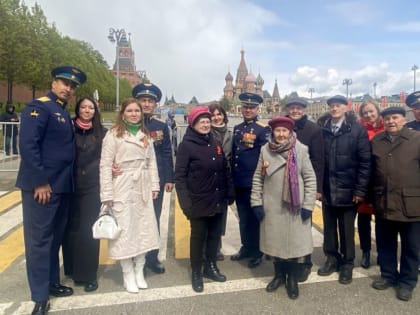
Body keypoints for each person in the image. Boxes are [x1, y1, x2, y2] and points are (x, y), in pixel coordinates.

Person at [16, 65, 86, 315]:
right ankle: (39, 295)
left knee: (54, 239)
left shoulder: (60, 111)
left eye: (73, 86)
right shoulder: (40, 107)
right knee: (39, 241)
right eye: (64, 83)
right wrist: (40, 181)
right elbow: (28, 145)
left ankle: (52, 282)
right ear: (54, 82)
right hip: (43, 188)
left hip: (61, 187)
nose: (68, 88)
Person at [251, 116, 316, 299]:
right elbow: (258, 177)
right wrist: (256, 202)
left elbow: (310, 178)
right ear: (273, 132)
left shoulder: (300, 150)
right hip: (273, 207)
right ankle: (279, 275)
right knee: (276, 244)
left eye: (284, 131)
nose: (280, 134)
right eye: (277, 131)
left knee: (294, 246)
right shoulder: (265, 150)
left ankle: (292, 279)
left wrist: (309, 205)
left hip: (296, 206)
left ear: (290, 132)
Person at [100, 98, 160, 293]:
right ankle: (127, 273)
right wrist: (107, 193)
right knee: (125, 231)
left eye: (137, 111)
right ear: (123, 113)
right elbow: (105, 164)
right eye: (130, 111)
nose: (134, 114)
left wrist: (155, 185)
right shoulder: (113, 135)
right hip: (123, 185)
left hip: (142, 183)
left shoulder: (145, 135)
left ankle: (139, 269)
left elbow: (151, 162)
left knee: (144, 228)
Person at [174, 106, 234, 293]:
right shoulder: (186, 145)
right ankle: (196, 272)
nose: (206, 124)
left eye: (208, 121)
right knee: (198, 238)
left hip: (217, 198)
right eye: (202, 121)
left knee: (214, 236)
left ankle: (210, 267)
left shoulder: (214, 141)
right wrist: (186, 204)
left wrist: (229, 192)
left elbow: (225, 169)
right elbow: (180, 177)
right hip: (198, 200)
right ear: (193, 124)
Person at [316, 95, 371, 285]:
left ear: (346, 108)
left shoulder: (357, 130)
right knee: (329, 227)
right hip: (328, 189)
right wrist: (318, 187)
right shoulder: (323, 131)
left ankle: (347, 263)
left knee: (347, 229)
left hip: (349, 190)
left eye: (338, 105)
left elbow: (365, 163)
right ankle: (332, 258)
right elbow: (318, 161)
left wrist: (360, 190)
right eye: (331, 106)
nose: (334, 108)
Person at [371, 106, 420, 301]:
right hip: (384, 201)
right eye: (387, 118)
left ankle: (407, 283)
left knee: (412, 246)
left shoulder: (416, 139)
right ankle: (388, 276)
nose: (391, 121)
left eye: (395, 117)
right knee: (385, 244)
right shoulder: (377, 140)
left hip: (412, 203)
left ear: (403, 118)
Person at [62, 97, 107, 292]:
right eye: (83, 107)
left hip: (92, 186)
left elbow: (109, 156)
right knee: (69, 228)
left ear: (95, 110)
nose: (87, 110)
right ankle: (71, 269)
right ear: (78, 109)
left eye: (91, 107)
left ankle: (88, 275)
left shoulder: (102, 132)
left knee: (88, 229)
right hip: (69, 184)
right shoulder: (68, 129)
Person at [131, 82, 174, 274]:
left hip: (155, 181)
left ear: (155, 104)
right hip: (133, 180)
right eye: (143, 100)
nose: (147, 104)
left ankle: (152, 257)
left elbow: (166, 153)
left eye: (150, 101)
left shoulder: (160, 126)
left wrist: (169, 178)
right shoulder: (129, 124)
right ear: (137, 102)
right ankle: (133, 256)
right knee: (134, 218)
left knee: (154, 218)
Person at [284, 96, 324, 281]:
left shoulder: (313, 129)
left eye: (298, 108)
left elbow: (318, 160)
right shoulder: (281, 127)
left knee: (303, 225)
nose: (295, 111)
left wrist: (316, 188)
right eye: (292, 108)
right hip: (283, 185)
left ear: (304, 110)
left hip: (303, 184)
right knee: (286, 225)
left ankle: (305, 262)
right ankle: (287, 260)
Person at [231, 92, 270, 268]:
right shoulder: (238, 128)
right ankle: (246, 247)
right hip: (239, 181)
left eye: (251, 107)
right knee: (243, 217)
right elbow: (235, 155)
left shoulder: (263, 129)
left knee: (255, 218)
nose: (247, 110)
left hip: (254, 182)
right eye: (245, 107)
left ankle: (257, 251)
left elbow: (266, 157)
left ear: (257, 108)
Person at [357, 99, 384, 269]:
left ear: (378, 111)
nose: (368, 115)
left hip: (381, 180)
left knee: (382, 220)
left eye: (371, 111)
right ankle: (366, 251)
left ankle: (382, 252)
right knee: (364, 219)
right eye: (365, 112)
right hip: (364, 180)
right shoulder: (359, 129)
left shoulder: (387, 127)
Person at [209, 103, 233, 261]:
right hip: (210, 179)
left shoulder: (230, 134)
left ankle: (217, 246)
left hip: (225, 179)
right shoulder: (205, 132)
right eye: (213, 115)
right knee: (209, 213)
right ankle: (209, 247)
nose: (217, 118)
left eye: (219, 114)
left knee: (221, 214)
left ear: (224, 115)